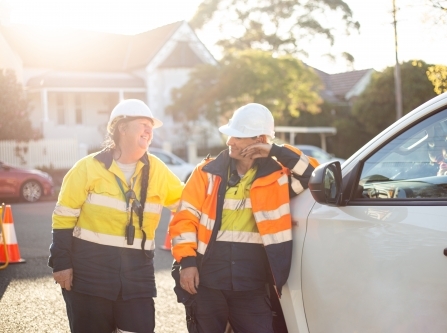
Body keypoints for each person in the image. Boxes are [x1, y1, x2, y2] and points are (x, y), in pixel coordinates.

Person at [169, 103, 318, 333]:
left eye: (238, 137)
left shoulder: (278, 177)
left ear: (259, 139)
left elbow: (310, 174)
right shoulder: (206, 172)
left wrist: (275, 151)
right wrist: (187, 263)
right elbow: (184, 218)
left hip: (251, 284)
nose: (230, 142)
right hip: (207, 281)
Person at [48, 99, 184, 333]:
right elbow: (63, 220)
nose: (149, 130)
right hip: (89, 274)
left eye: (151, 126)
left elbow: (188, 204)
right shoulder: (87, 168)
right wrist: (61, 263)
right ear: (122, 127)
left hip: (137, 276)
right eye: (143, 124)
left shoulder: (158, 170)